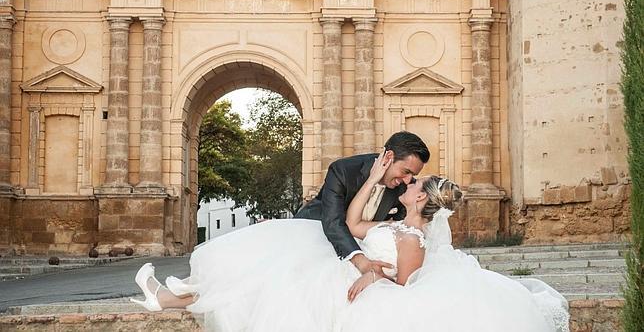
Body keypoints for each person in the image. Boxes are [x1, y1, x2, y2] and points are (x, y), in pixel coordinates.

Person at [131, 151, 570, 332]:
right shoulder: (397, 222)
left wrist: (371, 276)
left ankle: (167, 299)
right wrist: (375, 178)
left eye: (418, 184)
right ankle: (167, 297)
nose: (411, 183)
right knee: (260, 263)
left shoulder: (413, 235)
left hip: (356, 284)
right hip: (345, 263)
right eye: (412, 177)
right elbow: (353, 221)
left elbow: (408, 285)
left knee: (266, 281)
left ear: (424, 201)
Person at [295, 131, 430, 281]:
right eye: (406, 172)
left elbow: (398, 231)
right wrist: (360, 261)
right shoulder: (343, 170)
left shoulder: (407, 190)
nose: (407, 180)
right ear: (389, 157)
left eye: (413, 175)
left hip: (362, 250)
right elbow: (333, 223)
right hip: (315, 233)